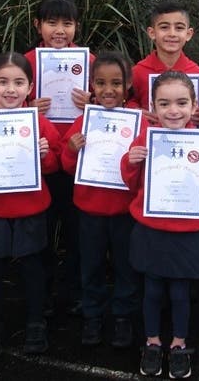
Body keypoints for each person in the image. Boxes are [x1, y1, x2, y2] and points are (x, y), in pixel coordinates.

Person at [121, 71, 199, 378]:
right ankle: (153, 341)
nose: (173, 110)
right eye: (164, 103)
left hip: (187, 232)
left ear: (194, 104)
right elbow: (132, 184)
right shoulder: (145, 139)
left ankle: (179, 344)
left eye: (182, 102)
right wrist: (131, 162)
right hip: (151, 229)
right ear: (153, 107)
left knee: (181, 292)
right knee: (153, 290)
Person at [0, 52, 61, 358]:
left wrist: (45, 154)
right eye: (2, 82)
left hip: (30, 206)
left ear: (30, 87)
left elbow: (56, 164)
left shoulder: (39, 123)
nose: (10, 89)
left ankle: (34, 323)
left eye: (19, 82)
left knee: (32, 266)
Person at [61, 52, 140, 348]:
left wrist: (135, 161)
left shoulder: (136, 122)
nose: (109, 90)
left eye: (117, 83)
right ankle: (92, 315)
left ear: (128, 84)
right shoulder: (84, 121)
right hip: (89, 211)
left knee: (125, 267)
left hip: (123, 212)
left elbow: (142, 172)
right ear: (92, 84)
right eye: (101, 83)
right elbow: (68, 166)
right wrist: (70, 148)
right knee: (91, 266)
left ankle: (123, 317)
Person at [24, 0, 92, 317]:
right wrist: (27, 108)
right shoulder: (27, 62)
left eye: (67, 23)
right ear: (38, 25)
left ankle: (75, 288)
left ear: (77, 26)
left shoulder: (89, 63)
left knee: (77, 228)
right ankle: (47, 289)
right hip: (43, 159)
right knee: (45, 228)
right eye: (52, 23)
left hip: (80, 159)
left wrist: (93, 103)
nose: (60, 30)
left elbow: (113, 100)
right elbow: (5, 101)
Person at [129, 0, 199, 125]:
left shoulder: (198, 73)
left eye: (179, 28)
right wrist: (135, 111)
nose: (172, 34)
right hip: (147, 139)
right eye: (164, 27)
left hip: (187, 141)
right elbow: (130, 100)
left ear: (188, 34)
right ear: (152, 33)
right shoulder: (138, 71)